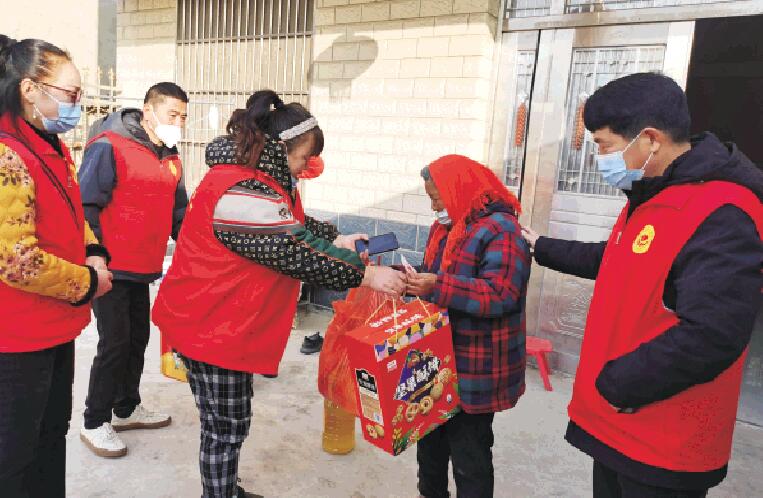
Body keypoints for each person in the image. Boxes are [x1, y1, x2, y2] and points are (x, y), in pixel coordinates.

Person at [152, 90, 406, 498]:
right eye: (304, 158)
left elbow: (290, 223)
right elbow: (290, 249)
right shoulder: (240, 188)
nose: (306, 167)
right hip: (211, 327)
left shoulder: (259, 180)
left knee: (224, 423)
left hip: (218, 322)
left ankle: (224, 488)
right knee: (225, 429)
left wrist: (336, 238)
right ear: (280, 148)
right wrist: (365, 274)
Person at [522, 73, 763, 498]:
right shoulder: (652, 195)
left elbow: (713, 335)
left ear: (649, 139)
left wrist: (620, 383)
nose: (600, 158)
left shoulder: (723, 211)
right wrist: (540, 246)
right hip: (618, 425)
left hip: (662, 442)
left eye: (605, 146)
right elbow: (617, 258)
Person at [0, 36, 113, 498]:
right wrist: (87, 281)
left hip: (53, 325)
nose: (76, 105)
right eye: (70, 93)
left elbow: (70, 213)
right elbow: (15, 260)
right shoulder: (7, 155)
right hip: (16, 337)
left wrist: (93, 249)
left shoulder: (52, 145)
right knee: (14, 454)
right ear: (30, 89)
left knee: (50, 437)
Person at [406, 155, 531, 498]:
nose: (434, 207)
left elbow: (501, 294)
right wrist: (408, 278)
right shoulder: (446, 227)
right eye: (430, 199)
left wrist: (436, 286)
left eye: (437, 198)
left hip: (476, 367)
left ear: (458, 189)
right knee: (429, 448)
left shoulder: (502, 230)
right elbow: (433, 273)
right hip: (436, 363)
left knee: (469, 456)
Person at [78, 82, 189, 457]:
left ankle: (125, 408)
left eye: (183, 116)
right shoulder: (109, 145)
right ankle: (94, 421)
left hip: (144, 266)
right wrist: (95, 256)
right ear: (148, 112)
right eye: (172, 115)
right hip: (110, 266)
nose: (178, 123)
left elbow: (178, 211)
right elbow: (86, 205)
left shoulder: (170, 156)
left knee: (137, 338)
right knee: (115, 342)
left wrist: (195, 249)